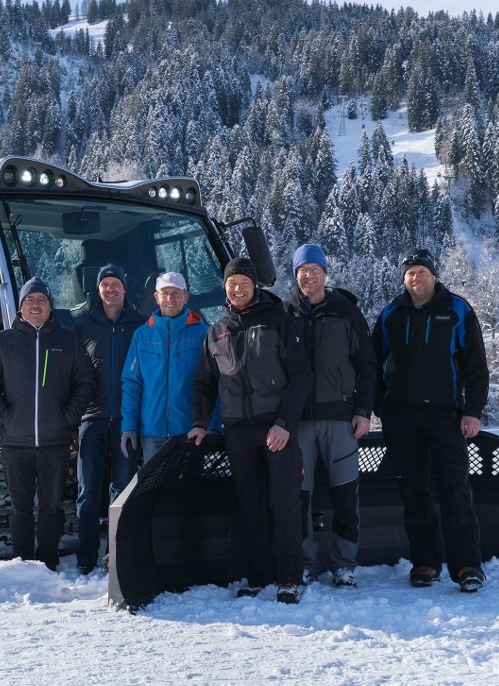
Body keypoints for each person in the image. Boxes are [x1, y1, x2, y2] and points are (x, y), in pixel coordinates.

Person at [188, 257, 312, 604]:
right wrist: (199, 424)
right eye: (232, 283)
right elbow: (204, 385)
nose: (238, 288)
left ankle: (289, 577)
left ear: (255, 285)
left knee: (285, 503)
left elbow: (302, 377)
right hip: (238, 432)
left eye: (244, 281)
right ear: (225, 287)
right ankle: (257, 575)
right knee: (249, 507)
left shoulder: (279, 321)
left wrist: (285, 424)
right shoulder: (217, 331)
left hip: (277, 428)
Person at [371, 248, 489, 593]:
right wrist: (382, 406)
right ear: (403, 278)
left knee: (455, 490)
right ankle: (425, 563)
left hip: (445, 417)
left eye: (421, 271)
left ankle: (466, 565)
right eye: (409, 272)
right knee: (414, 491)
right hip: (401, 418)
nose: (415, 278)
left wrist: (472, 411)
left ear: (434, 275)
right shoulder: (392, 313)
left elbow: (476, 367)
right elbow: (370, 363)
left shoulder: (456, 310)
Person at [0, 277, 95, 571]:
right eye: (29, 301)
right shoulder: (4, 341)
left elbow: (85, 383)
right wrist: (4, 417)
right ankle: (23, 563)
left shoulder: (68, 340)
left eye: (41, 300)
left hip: (54, 441)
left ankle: (48, 562)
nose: (35, 305)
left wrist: (67, 418)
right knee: (19, 508)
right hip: (15, 441)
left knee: (51, 508)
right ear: (20, 307)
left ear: (50, 306)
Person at [285, 244, 376, 589]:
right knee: (300, 497)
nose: (308, 275)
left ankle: (343, 564)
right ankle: (307, 562)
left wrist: (363, 411)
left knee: (344, 494)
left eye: (314, 269)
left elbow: (367, 366)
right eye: (302, 270)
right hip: (299, 423)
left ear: (325, 272)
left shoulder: (345, 312)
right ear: (295, 276)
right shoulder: (286, 313)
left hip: (340, 419)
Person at [72, 264, 145, 574]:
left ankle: (115, 555)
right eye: (105, 284)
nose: (111, 289)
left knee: (123, 488)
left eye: (116, 283)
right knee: (88, 490)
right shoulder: (82, 327)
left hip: (128, 421)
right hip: (92, 418)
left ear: (125, 289)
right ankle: (86, 557)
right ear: (98, 290)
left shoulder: (141, 326)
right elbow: (71, 375)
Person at [120, 271, 219, 464]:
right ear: (156, 297)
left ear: (186, 296)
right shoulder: (142, 336)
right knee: (155, 493)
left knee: (188, 492)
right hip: (152, 435)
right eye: (165, 293)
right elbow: (132, 384)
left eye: (176, 293)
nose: (170, 299)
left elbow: (215, 383)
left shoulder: (203, 334)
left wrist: (213, 426)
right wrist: (129, 425)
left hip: (191, 431)